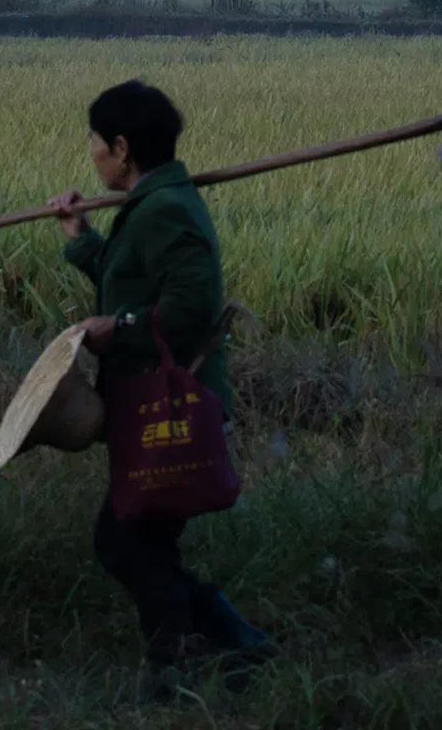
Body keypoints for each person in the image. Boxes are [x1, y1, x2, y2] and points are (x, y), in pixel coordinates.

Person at [50, 77, 272, 698]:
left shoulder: (169, 209)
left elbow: (188, 311)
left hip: (168, 405)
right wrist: (81, 240)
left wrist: (114, 331)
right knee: (138, 541)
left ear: (121, 148)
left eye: (94, 140)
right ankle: (225, 646)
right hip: (144, 404)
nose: (89, 152)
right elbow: (132, 285)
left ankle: (185, 663)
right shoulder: (152, 205)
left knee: (127, 541)